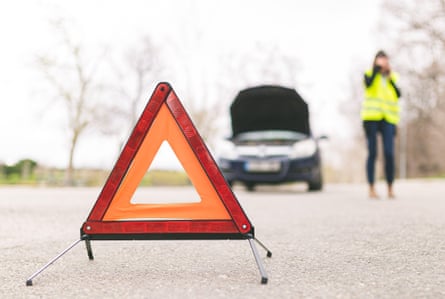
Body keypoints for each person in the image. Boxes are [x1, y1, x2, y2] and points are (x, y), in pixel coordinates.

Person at [361, 50, 401, 199]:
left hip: (388, 119)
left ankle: (390, 187)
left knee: (389, 153)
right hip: (371, 117)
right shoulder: (369, 73)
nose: (383, 62)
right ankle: (371, 187)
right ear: (376, 61)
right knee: (372, 153)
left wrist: (389, 78)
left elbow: (398, 94)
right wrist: (376, 70)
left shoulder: (393, 77)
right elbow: (368, 84)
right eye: (380, 59)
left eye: (385, 59)